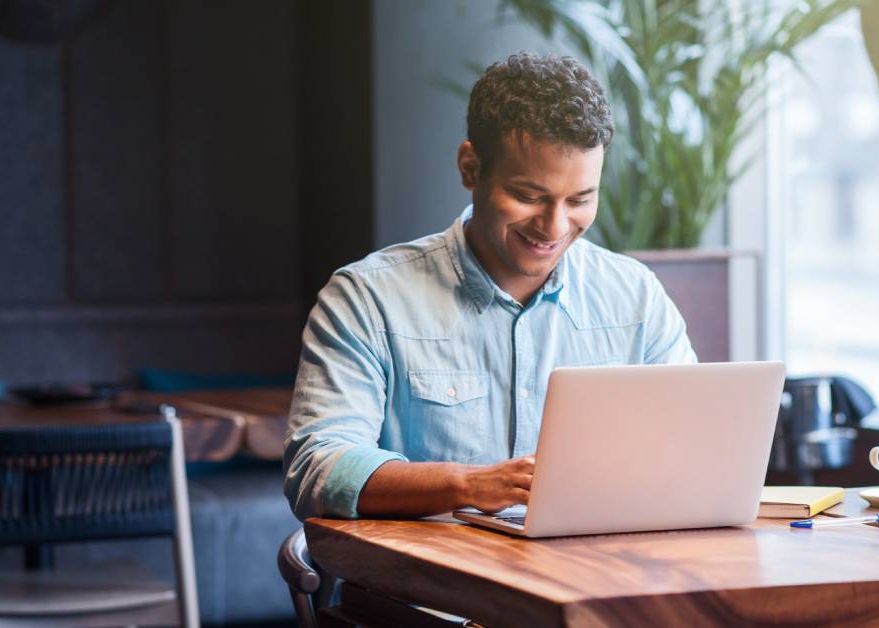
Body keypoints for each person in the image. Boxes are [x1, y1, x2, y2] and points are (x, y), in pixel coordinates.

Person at [284, 52, 696, 521]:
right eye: (529, 196)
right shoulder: (367, 299)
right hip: (429, 590)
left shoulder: (636, 298)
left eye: (580, 199)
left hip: (595, 578)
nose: (554, 226)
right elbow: (318, 468)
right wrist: (470, 485)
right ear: (470, 169)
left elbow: (691, 451)